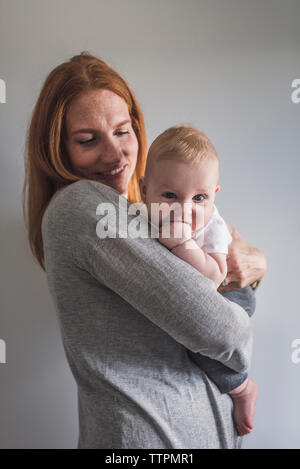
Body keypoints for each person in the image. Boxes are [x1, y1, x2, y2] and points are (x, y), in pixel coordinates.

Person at [22, 52, 267, 449]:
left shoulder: (142, 212)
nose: (115, 155)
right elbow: (228, 333)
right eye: (88, 140)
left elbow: (226, 266)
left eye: (123, 131)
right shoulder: (84, 205)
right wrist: (247, 272)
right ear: (57, 149)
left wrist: (255, 264)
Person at [139, 124, 258, 437]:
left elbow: (215, 278)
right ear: (144, 191)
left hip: (231, 294)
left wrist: (184, 245)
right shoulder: (138, 218)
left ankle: (242, 388)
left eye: (199, 198)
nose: (185, 209)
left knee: (200, 342)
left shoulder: (213, 226)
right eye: (170, 195)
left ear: (214, 196)